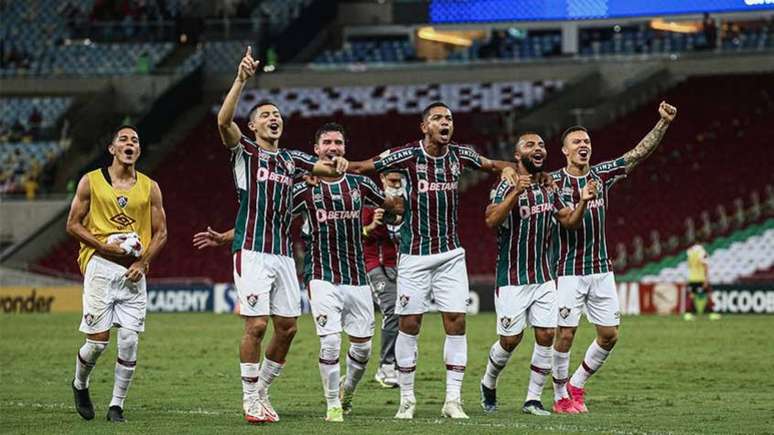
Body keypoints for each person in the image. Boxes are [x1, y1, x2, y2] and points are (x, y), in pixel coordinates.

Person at [346, 101, 518, 419]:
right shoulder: (408, 155)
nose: (445, 122)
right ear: (424, 126)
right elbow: (364, 167)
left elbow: (493, 164)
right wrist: (334, 165)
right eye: (438, 118)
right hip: (414, 255)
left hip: (450, 254)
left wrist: (508, 167)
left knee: (457, 322)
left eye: (449, 118)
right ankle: (407, 400)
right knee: (409, 325)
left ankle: (453, 400)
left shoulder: (460, 155)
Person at [216, 46, 347, 424]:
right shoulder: (245, 152)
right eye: (266, 116)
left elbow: (328, 168)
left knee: (288, 328)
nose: (274, 119)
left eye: (277, 115)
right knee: (256, 324)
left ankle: (262, 391)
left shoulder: (292, 159)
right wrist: (241, 80)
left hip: (284, 255)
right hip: (253, 250)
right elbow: (224, 123)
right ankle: (248, 399)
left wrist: (337, 163)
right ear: (254, 126)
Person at [550, 101, 677, 414]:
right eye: (577, 142)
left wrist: (663, 123)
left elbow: (637, 154)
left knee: (609, 336)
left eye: (587, 142)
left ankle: (576, 384)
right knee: (565, 334)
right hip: (569, 270)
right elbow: (567, 221)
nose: (584, 146)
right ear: (564, 150)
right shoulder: (553, 183)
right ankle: (558, 397)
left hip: (601, 269)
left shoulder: (603, 174)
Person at [292, 123, 404, 422]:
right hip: (321, 274)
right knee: (330, 341)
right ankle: (332, 404)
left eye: (338, 143)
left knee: (364, 348)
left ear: (345, 148)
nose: (333, 147)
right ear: (316, 150)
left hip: (356, 276)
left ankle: (347, 392)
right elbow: (272, 210)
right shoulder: (305, 188)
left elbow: (392, 209)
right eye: (327, 142)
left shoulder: (360, 184)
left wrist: (392, 204)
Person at [479, 133, 596, 416]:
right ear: (517, 156)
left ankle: (533, 399)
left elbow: (567, 221)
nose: (538, 148)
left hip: (544, 276)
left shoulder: (549, 187)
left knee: (546, 335)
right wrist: (516, 193)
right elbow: (491, 220)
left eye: (541, 145)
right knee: (510, 340)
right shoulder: (504, 185)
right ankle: (488, 381)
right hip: (512, 279)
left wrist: (582, 202)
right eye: (530, 145)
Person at [66, 125, 168, 423]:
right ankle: (80, 384)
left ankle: (116, 406)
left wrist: (142, 263)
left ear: (138, 150)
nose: (130, 143)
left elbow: (161, 233)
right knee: (97, 342)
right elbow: (73, 224)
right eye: (123, 139)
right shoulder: (91, 182)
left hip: (134, 273)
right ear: (112, 149)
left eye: (135, 140)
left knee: (129, 341)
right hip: (100, 266)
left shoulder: (150, 187)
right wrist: (102, 245)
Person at [362, 171, 405, 389]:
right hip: (374, 264)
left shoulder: (407, 202)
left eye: (399, 181)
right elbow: (355, 232)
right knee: (392, 310)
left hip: (399, 265)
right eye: (392, 181)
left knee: (406, 314)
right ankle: (386, 366)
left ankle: (400, 363)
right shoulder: (371, 200)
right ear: (382, 180)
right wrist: (370, 227)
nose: (396, 185)